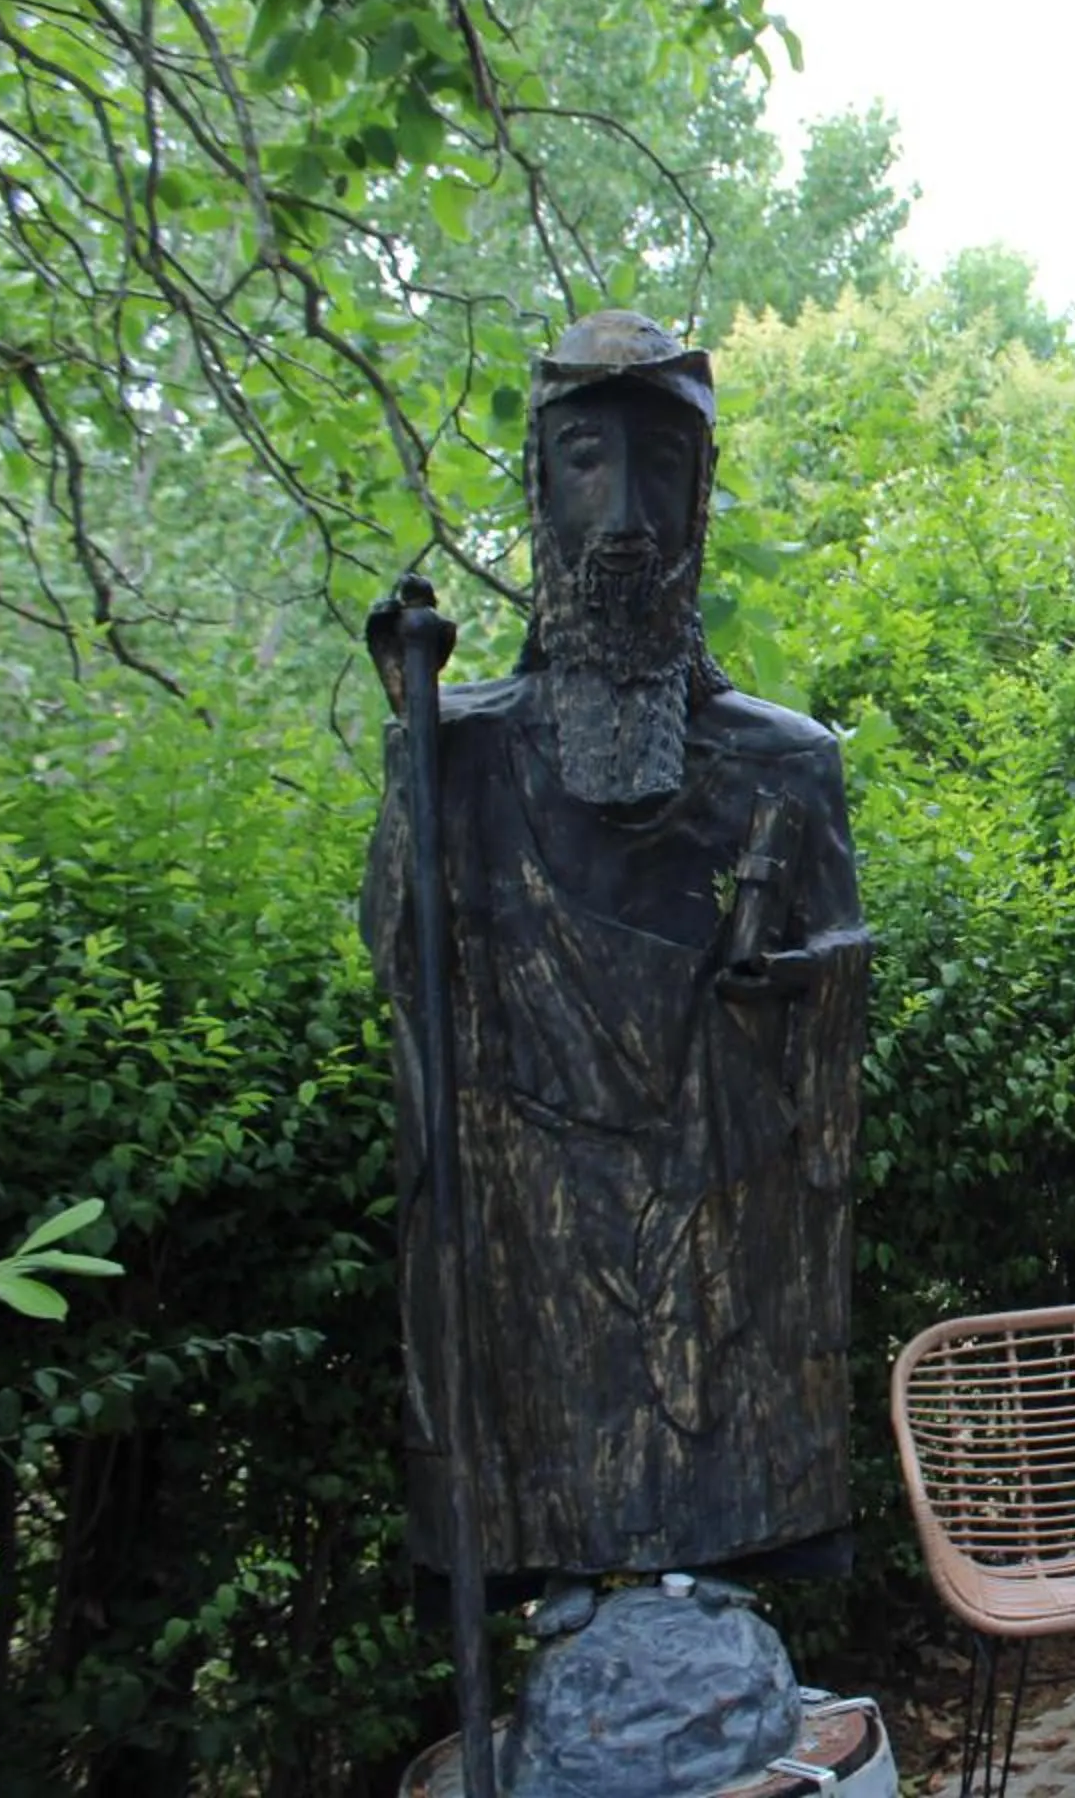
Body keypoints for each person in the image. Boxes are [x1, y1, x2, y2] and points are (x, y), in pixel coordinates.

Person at [363, 312, 870, 1580]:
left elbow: (840, 964)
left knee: (713, 1437)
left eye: (661, 467)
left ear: (700, 496)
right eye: (590, 461)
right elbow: (407, 981)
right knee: (557, 1455)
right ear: (542, 486)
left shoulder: (787, 761)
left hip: (714, 1216)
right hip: (540, 1240)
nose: (628, 515)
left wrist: (796, 981)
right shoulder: (461, 751)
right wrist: (415, 765)